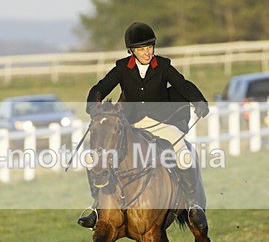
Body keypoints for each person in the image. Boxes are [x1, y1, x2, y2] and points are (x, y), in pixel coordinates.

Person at [77, 21, 209, 230]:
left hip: (161, 123)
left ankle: (192, 205)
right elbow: (100, 87)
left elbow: (182, 84)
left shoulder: (163, 65)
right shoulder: (122, 68)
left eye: (149, 47)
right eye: (141, 49)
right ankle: (96, 207)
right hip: (132, 124)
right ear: (132, 51)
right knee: (95, 155)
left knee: (183, 152)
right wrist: (93, 105)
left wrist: (199, 100)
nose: (147, 52)